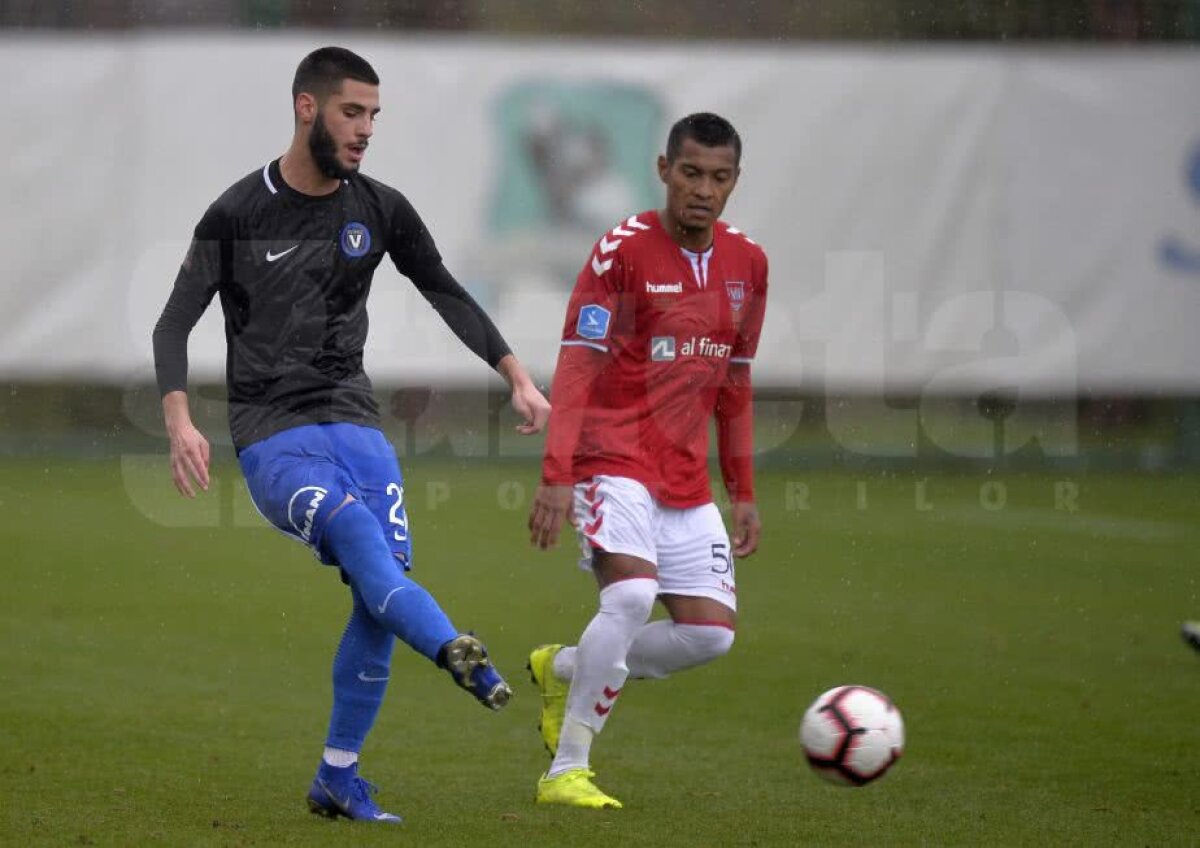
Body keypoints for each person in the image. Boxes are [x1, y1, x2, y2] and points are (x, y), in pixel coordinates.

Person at [152, 46, 550, 824]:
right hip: (273, 434)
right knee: (360, 539)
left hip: (356, 422)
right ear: (307, 108)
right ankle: (454, 650)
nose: (366, 129)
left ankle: (338, 777)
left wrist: (517, 375)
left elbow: (444, 290)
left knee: (379, 588)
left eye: (373, 115)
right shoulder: (237, 214)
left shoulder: (380, 208)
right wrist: (178, 420)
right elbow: (174, 322)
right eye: (351, 112)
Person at [526, 113, 767, 809]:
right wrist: (557, 473)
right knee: (630, 598)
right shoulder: (621, 252)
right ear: (664, 170)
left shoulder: (748, 264)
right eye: (690, 173)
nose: (703, 190)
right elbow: (578, 364)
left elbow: (735, 381)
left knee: (709, 635)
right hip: (611, 456)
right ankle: (567, 770)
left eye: (719, 177)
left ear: (735, 181)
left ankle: (565, 668)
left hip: (684, 477)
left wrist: (743, 490)